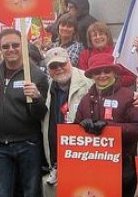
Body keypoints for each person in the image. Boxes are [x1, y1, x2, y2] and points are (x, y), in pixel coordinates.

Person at [0, 29, 49, 197]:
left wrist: (36, 98)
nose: (11, 49)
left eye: (15, 45)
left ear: (23, 46)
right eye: (5, 46)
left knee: (31, 192)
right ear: (0, 48)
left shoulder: (37, 75)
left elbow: (41, 114)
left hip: (28, 144)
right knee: (3, 193)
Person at [74, 53, 138, 196]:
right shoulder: (85, 100)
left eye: (107, 71)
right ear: (92, 75)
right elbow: (74, 132)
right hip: (92, 171)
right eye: (97, 72)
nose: (102, 75)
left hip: (123, 170)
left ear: (114, 72)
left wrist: (110, 128)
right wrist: (81, 126)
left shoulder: (128, 96)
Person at [41, 47, 93, 187]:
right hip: (60, 155)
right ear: (48, 70)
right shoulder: (48, 86)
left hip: (84, 153)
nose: (58, 69)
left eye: (62, 64)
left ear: (69, 62)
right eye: (53, 66)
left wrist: (135, 98)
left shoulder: (88, 79)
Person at [78, 22, 136, 87]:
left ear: (107, 36)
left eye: (101, 34)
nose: (98, 37)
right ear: (90, 39)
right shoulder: (85, 55)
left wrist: (112, 83)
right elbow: (83, 77)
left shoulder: (118, 53)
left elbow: (131, 77)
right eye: (94, 35)